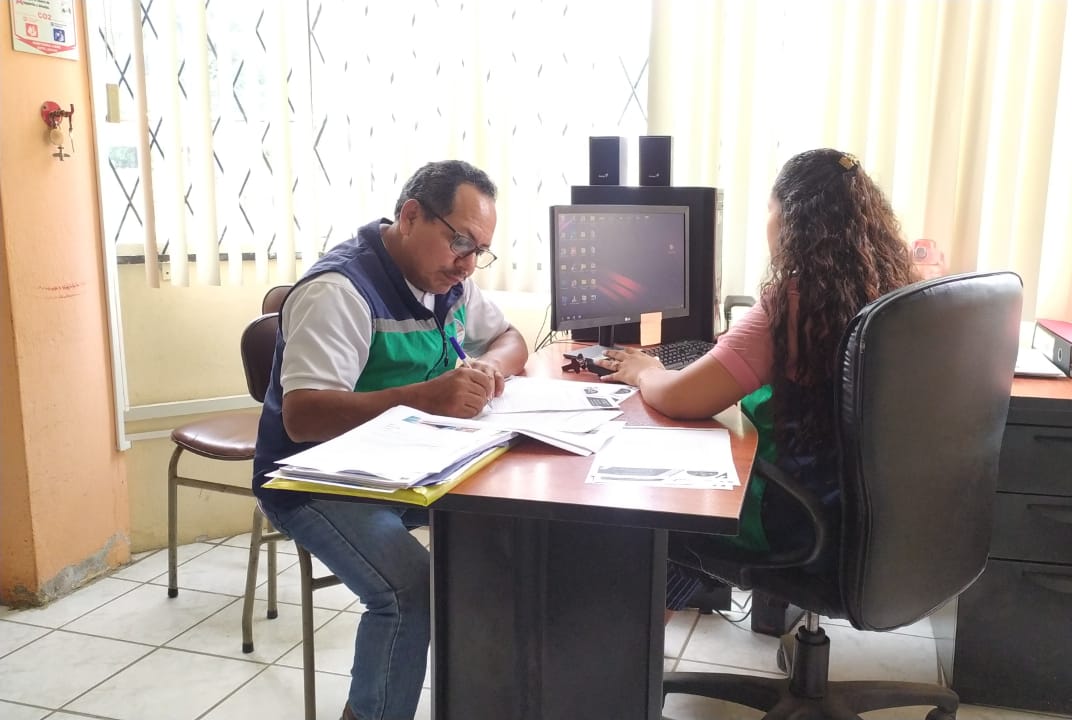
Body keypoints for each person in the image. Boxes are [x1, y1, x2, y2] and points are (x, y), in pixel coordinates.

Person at [252, 160, 529, 720]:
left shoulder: (448, 281)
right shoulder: (339, 291)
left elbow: (509, 337)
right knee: (410, 594)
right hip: (317, 480)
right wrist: (427, 398)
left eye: (479, 251)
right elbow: (303, 418)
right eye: (460, 242)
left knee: (520, 539)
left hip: (412, 465)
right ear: (410, 216)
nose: (467, 263)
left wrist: (491, 368)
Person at [595, 148, 918, 615]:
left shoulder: (793, 303)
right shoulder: (895, 289)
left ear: (789, 220)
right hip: (866, 522)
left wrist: (647, 370)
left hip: (799, 522)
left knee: (659, 513)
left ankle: (631, 644)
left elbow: (681, 399)